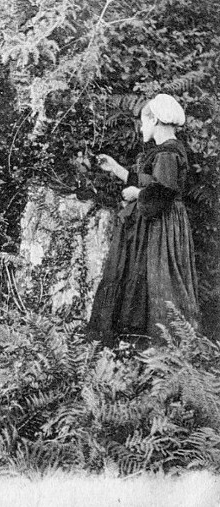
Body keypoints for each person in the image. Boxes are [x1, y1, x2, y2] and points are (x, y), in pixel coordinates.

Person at [86, 93, 200, 348]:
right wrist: (116, 168)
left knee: (161, 279)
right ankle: (147, 346)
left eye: (143, 121)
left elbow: (162, 191)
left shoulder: (168, 152)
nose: (140, 127)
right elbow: (153, 182)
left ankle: (165, 349)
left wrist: (138, 194)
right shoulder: (165, 151)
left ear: (155, 120)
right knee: (147, 279)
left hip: (163, 226)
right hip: (157, 223)